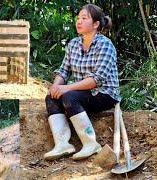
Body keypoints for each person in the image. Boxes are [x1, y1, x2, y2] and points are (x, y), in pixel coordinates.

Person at [44, 4, 121, 161]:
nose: (78, 21)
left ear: (96, 24)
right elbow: (64, 71)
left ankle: (90, 143)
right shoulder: (73, 44)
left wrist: (66, 88)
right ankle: (62, 144)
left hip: (104, 94)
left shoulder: (105, 45)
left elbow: (96, 80)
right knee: (51, 97)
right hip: (82, 92)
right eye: (78, 18)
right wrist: (56, 85)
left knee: (69, 97)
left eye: (84, 18)